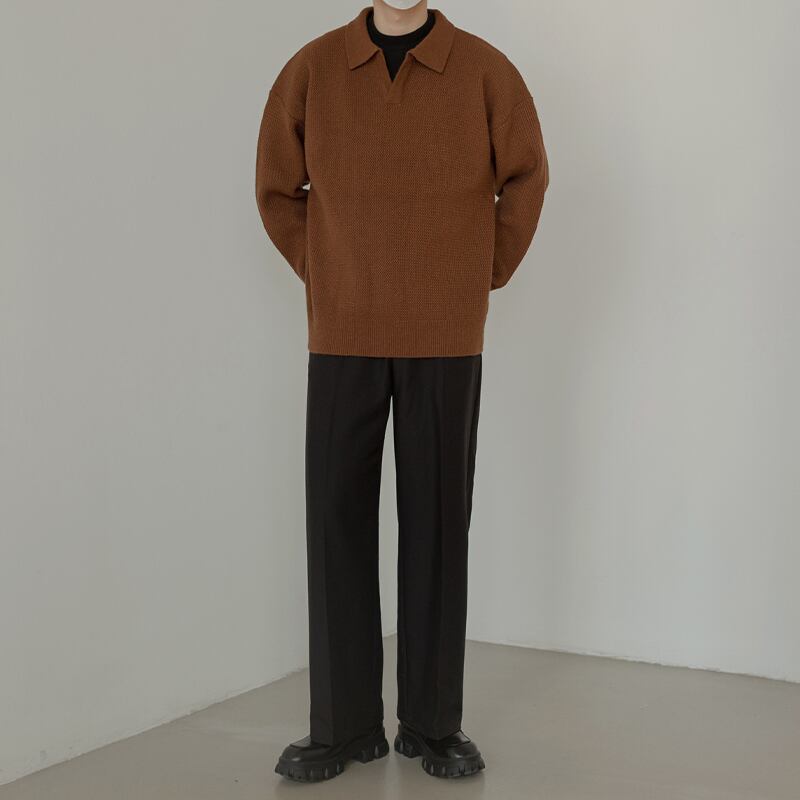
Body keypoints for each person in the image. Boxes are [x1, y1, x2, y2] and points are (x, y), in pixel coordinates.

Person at [255, 0, 548, 782]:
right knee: (336, 524)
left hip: (446, 335)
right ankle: (342, 726)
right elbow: (277, 188)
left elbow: (527, 177)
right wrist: (327, 269)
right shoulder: (313, 69)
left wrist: (477, 273)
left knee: (438, 526)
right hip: (342, 329)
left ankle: (433, 723)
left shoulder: (484, 70)